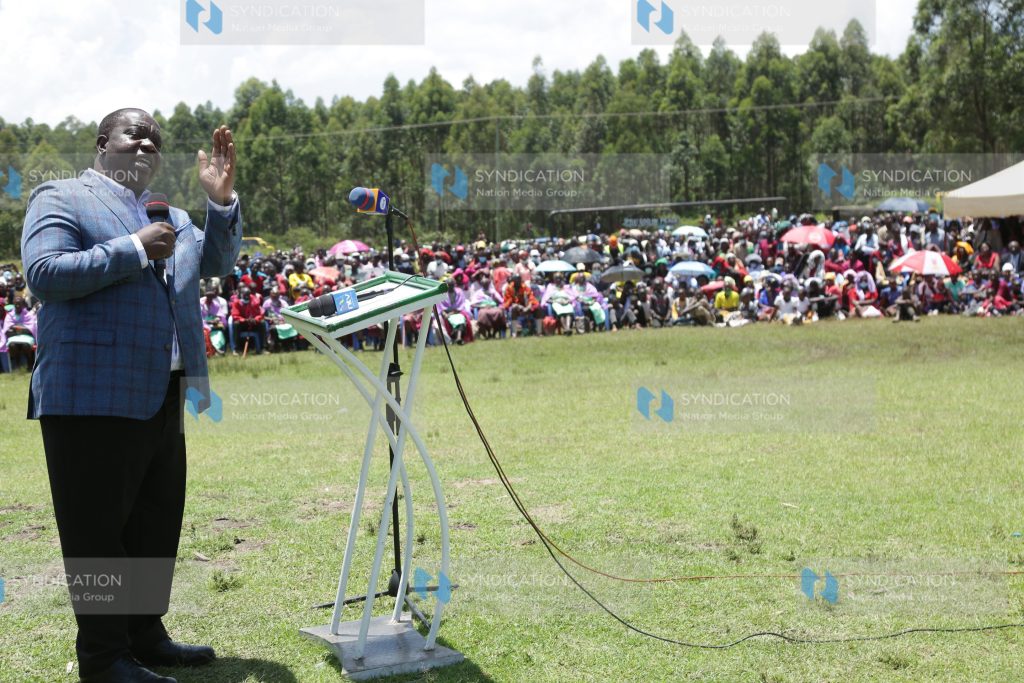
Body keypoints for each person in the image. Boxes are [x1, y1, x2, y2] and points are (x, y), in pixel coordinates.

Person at [21, 109, 241, 683]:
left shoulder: (175, 217)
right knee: (97, 533)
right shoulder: (62, 196)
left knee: (154, 524)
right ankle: (103, 657)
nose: (145, 141)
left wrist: (220, 203)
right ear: (103, 144)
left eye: (155, 138)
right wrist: (137, 248)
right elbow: (44, 273)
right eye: (132, 133)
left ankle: (145, 634)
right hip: (89, 394)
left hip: (164, 391)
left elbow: (216, 262)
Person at [1, 294, 37, 370]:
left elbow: (31, 329)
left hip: (27, 338)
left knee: (26, 346)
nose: (17, 305)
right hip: (13, 338)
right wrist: (22, 328)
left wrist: (15, 327)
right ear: (13, 304)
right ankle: (17, 365)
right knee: (12, 346)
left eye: (19, 303)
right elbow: (7, 330)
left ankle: (29, 364)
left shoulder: (28, 315)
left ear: (23, 304)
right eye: (16, 304)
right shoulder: (10, 315)